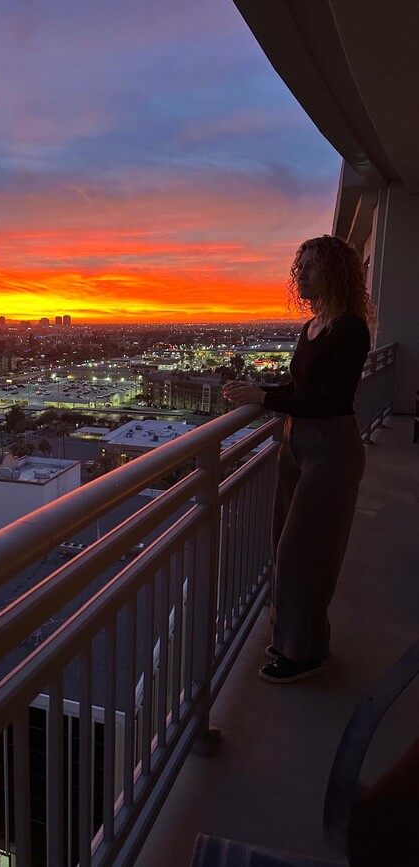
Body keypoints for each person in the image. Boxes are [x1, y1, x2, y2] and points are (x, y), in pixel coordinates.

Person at [223, 235, 376, 683]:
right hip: (297, 444)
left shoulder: (349, 328)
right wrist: (258, 394)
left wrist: (264, 399)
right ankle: (297, 640)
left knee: (303, 553)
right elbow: (302, 390)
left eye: (310, 266)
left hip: (330, 448)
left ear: (334, 272)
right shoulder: (313, 326)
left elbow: (329, 400)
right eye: (300, 266)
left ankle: (302, 653)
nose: (300, 274)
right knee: (285, 544)